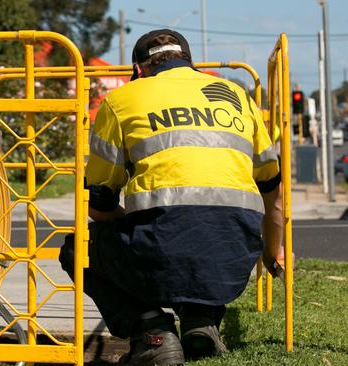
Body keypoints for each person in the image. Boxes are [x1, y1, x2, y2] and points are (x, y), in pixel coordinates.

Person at [59, 29, 284, 365]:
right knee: (203, 232)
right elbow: (273, 189)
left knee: (77, 249)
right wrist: (272, 250)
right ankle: (201, 321)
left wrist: (129, 219)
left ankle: (153, 334)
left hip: (162, 251)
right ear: (189, 63)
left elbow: (99, 204)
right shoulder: (238, 96)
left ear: (138, 70)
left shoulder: (122, 101)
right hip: (235, 255)